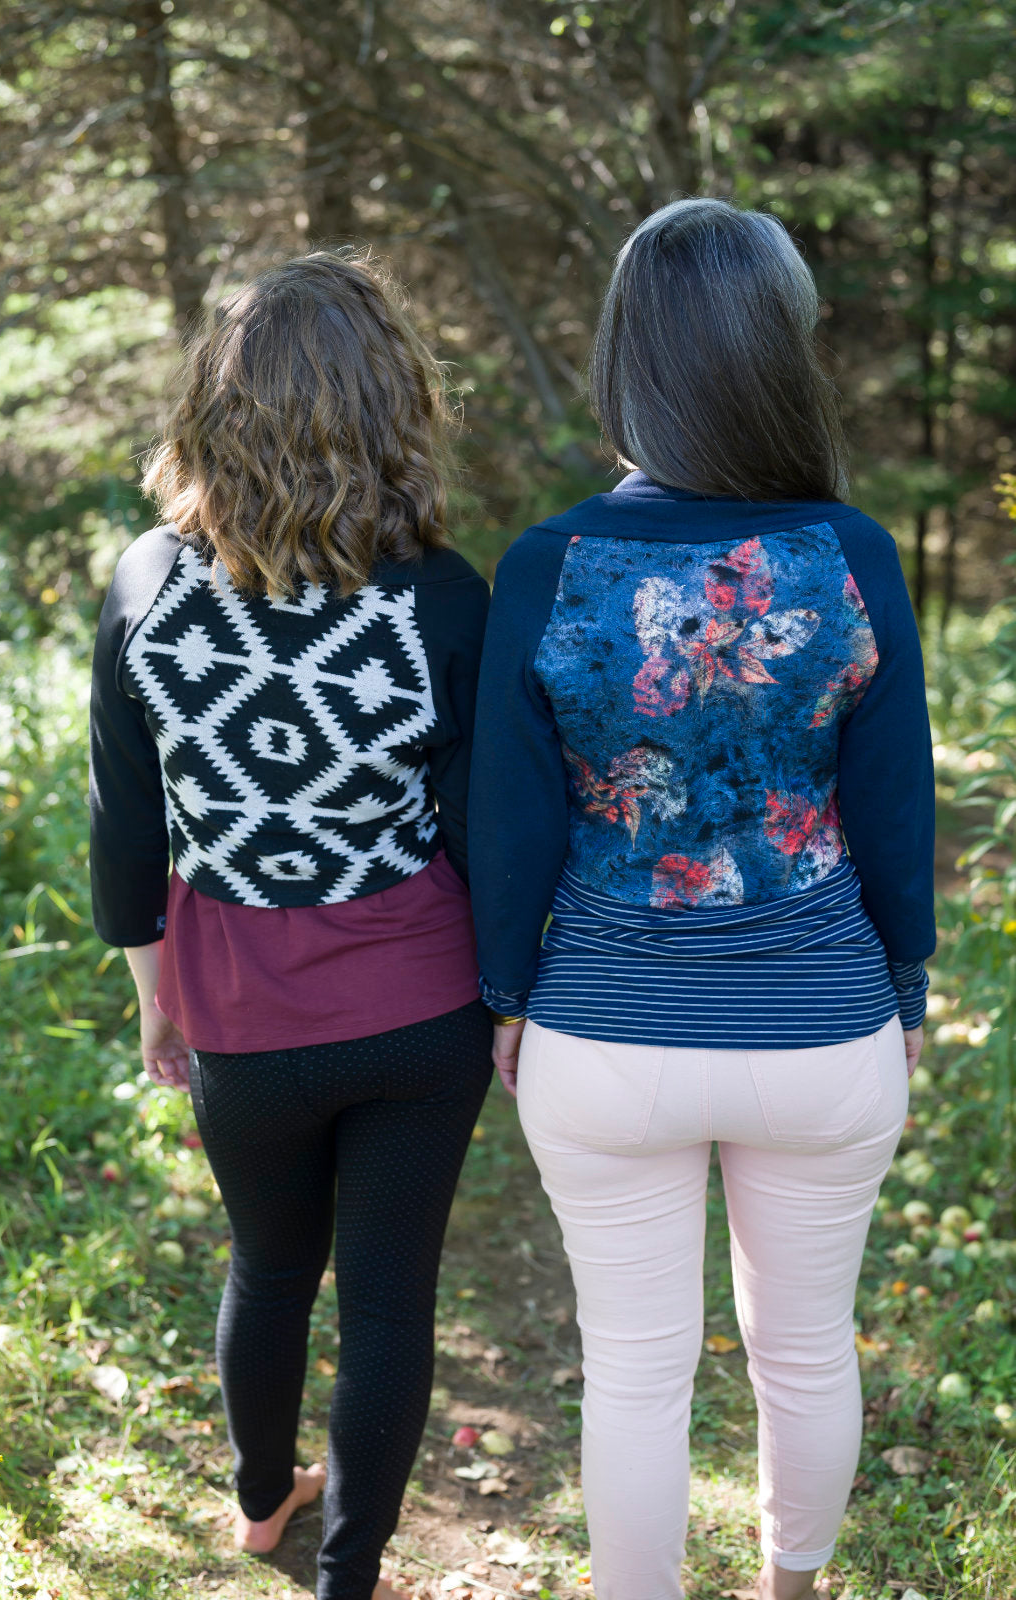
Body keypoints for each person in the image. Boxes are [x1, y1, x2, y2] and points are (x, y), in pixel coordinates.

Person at [468, 198, 934, 1600]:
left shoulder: (552, 567)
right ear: (782, 350)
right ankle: (790, 1591)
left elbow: (509, 818)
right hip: (822, 1030)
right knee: (808, 1353)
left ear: (628, 358)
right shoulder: (851, 554)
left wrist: (505, 995)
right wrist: (905, 991)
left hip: (608, 1037)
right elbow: (898, 808)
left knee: (633, 1375)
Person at [89, 250, 493, 1600]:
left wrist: (161, 993)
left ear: (214, 405)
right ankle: (348, 1572)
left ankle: (264, 1502)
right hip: (417, 1005)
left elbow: (126, 836)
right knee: (387, 1301)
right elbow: (480, 823)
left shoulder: (147, 587)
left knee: (269, 1268)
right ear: (392, 407)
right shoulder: (440, 596)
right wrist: (509, 1003)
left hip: (242, 1008)